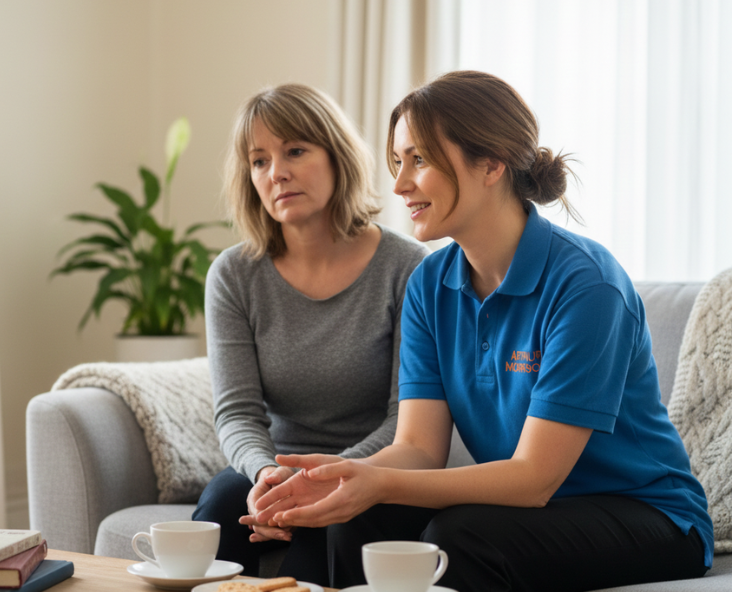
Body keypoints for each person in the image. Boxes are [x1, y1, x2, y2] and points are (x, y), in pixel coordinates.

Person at [253, 71, 714, 592]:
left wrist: (379, 482)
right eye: (398, 162)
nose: (401, 184)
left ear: (491, 163)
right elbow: (419, 450)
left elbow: (536, 478)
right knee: (355, 521)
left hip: (648, 515)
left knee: (460, 534)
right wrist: (337, 479)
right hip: (533, 510)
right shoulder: (430, 282)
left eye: (419, 160)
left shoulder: (587, 285)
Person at [192, 83, 428, 587]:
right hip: (276, 472)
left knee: (315, 557)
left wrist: (325, 479)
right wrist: (265, 475)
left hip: (376, 470)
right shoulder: (234, 274)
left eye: (295, 150)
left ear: (337, 156)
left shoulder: (406, 267)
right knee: (218, 505)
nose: (276, 172)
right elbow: (236, 412)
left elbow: (405, 419)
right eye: (259, 161)